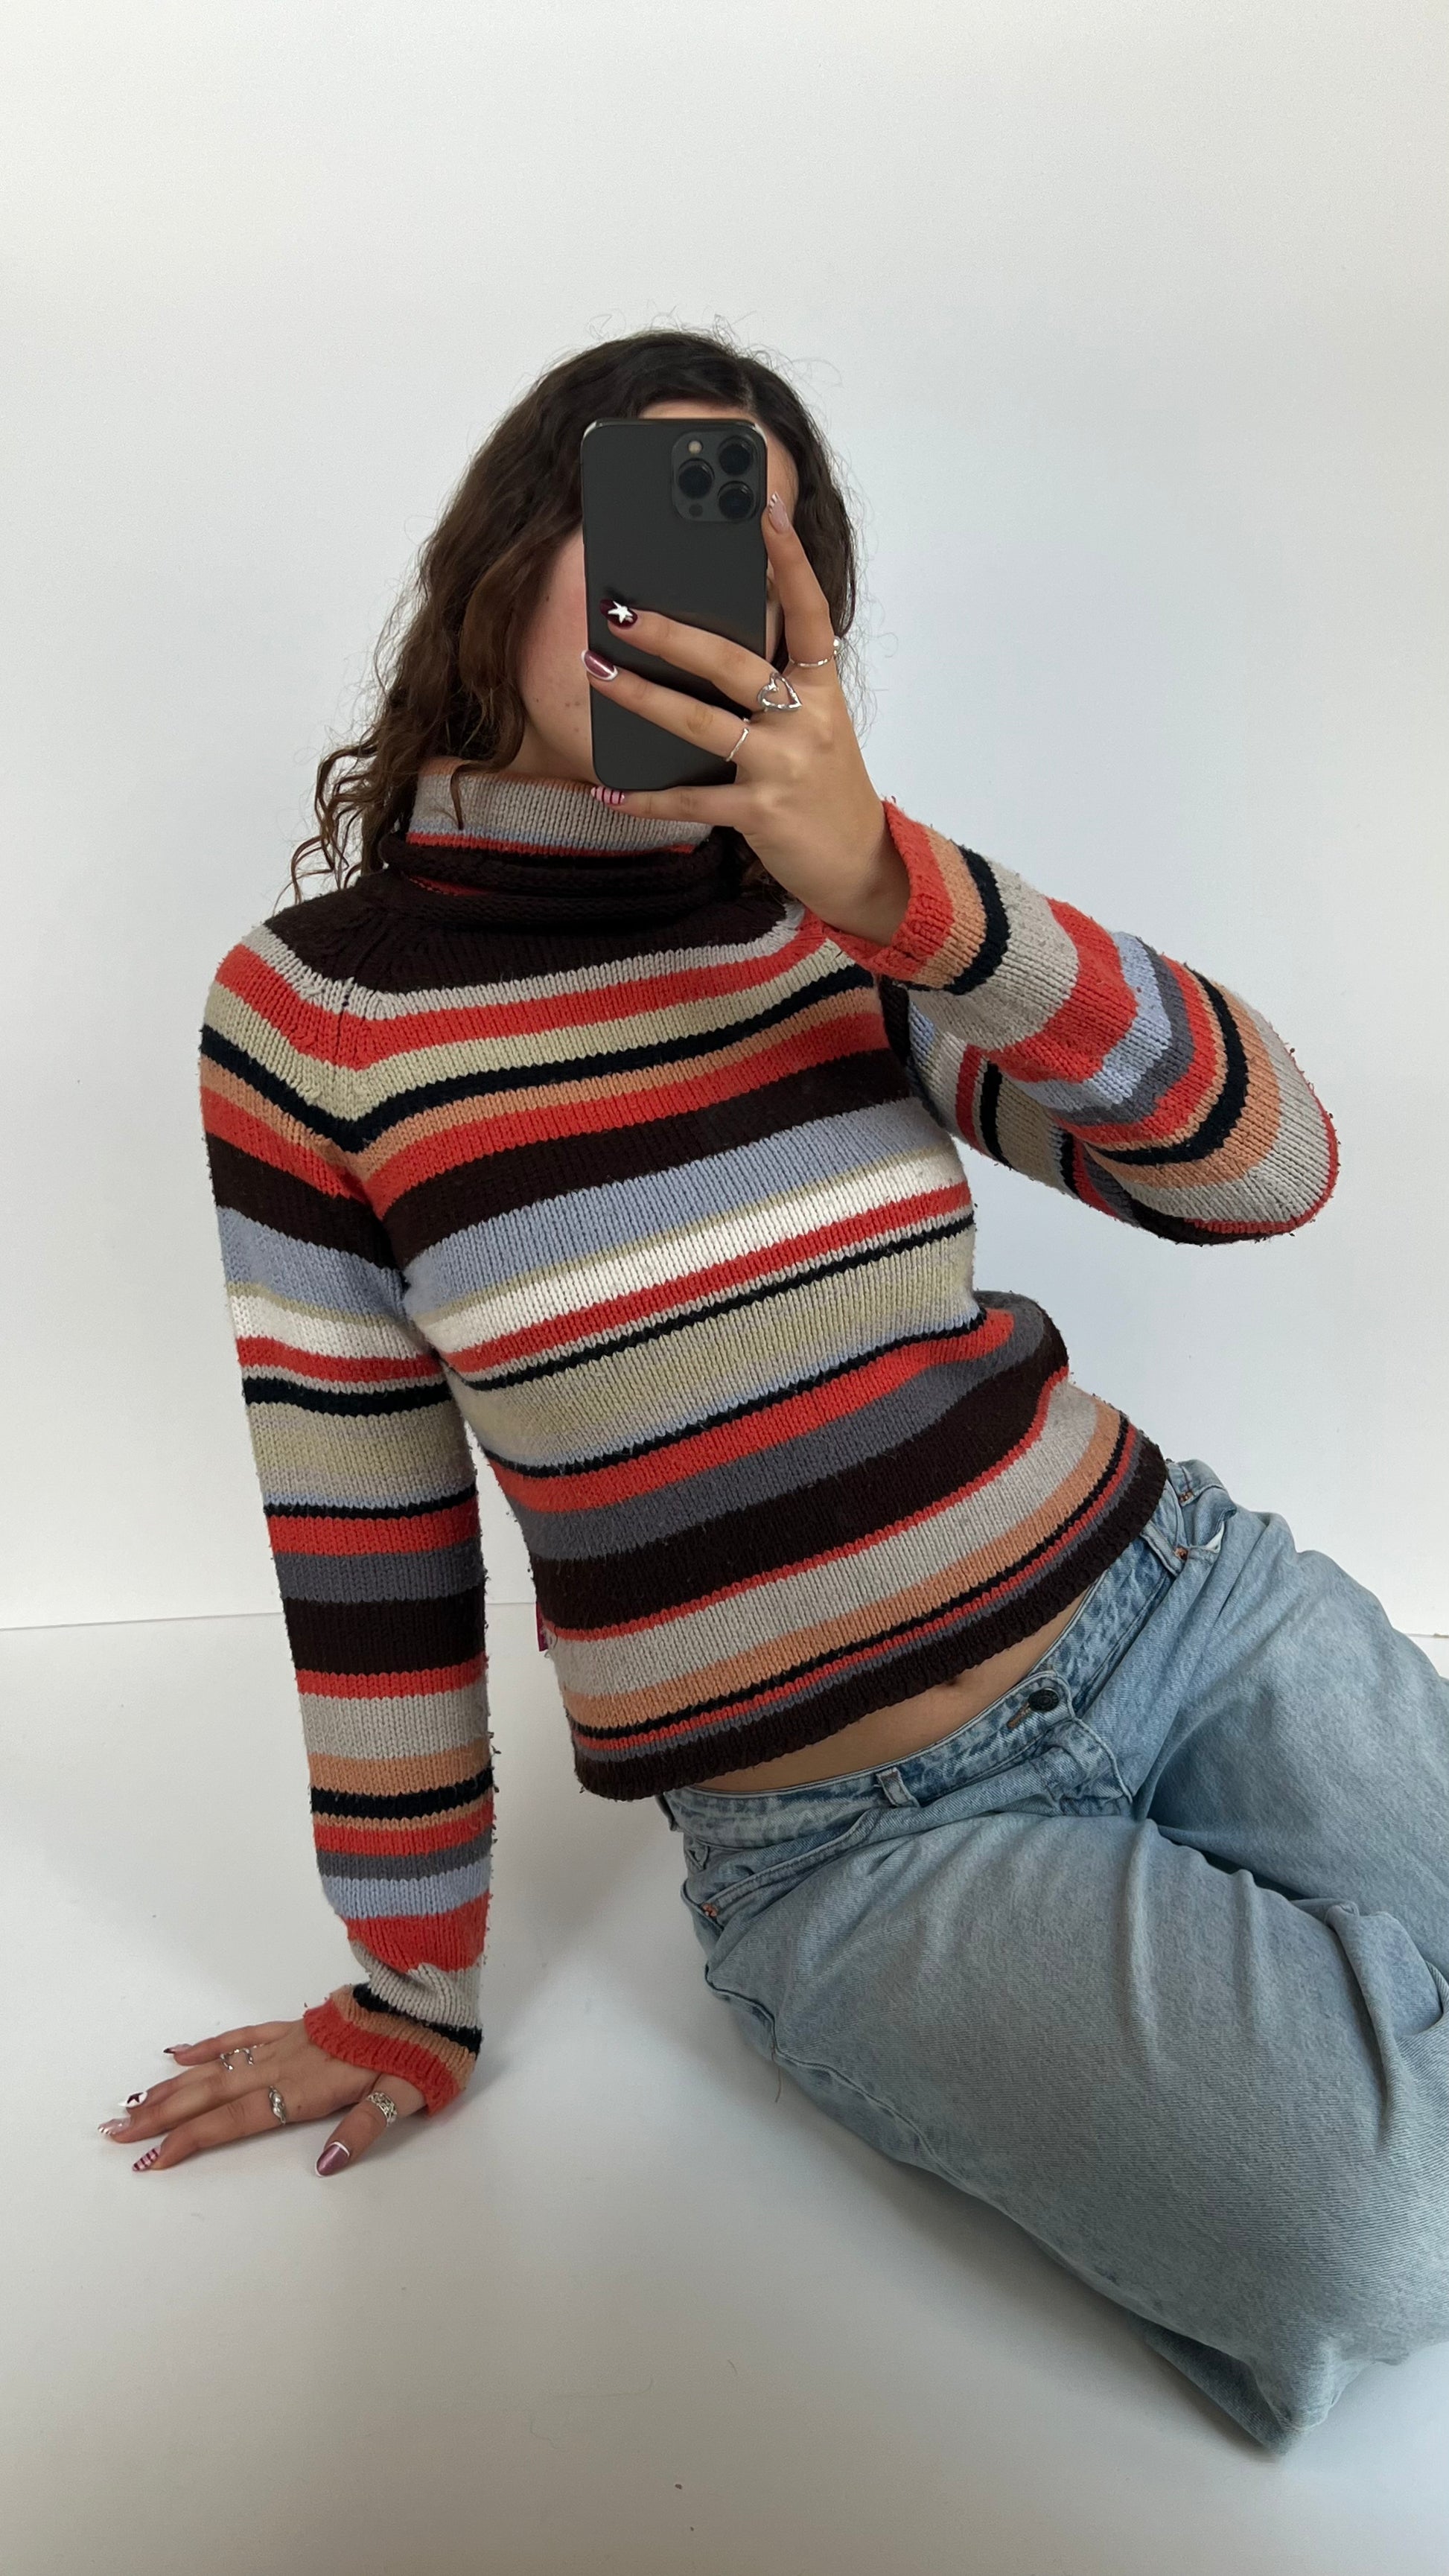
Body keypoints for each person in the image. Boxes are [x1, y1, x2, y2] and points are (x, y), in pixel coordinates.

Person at [109, 328, 1448, 2452]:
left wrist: (895, 886)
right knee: (1376, 2238)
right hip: (867, 1842)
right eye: (657, 511)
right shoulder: (319, 1018)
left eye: (755, 538)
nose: (696, 582)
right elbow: (360, 1528)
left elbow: (1264, 1166)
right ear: (506, 554)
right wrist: (410, 1982)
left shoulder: (847, 922)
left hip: (1187, 1613)